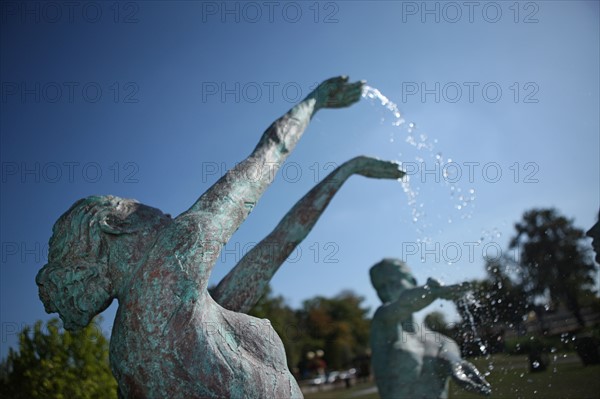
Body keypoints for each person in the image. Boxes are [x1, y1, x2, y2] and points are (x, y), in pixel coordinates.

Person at [35, 77, 405, 398]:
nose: (165, 213)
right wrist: (313, 102)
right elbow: (267, 156)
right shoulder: (170, 265)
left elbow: (280, 242)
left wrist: (345, 172)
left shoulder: (148, 335)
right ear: (116, 227)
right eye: (143, 208)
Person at [369, 258, 491, 399]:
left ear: (413, 282)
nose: (387, 291)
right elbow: (404, 304)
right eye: (380, 288)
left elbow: (450, 357)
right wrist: (433, 292)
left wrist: (455, 364)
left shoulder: (442, 342)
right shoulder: (382, 326)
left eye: (393, 283)